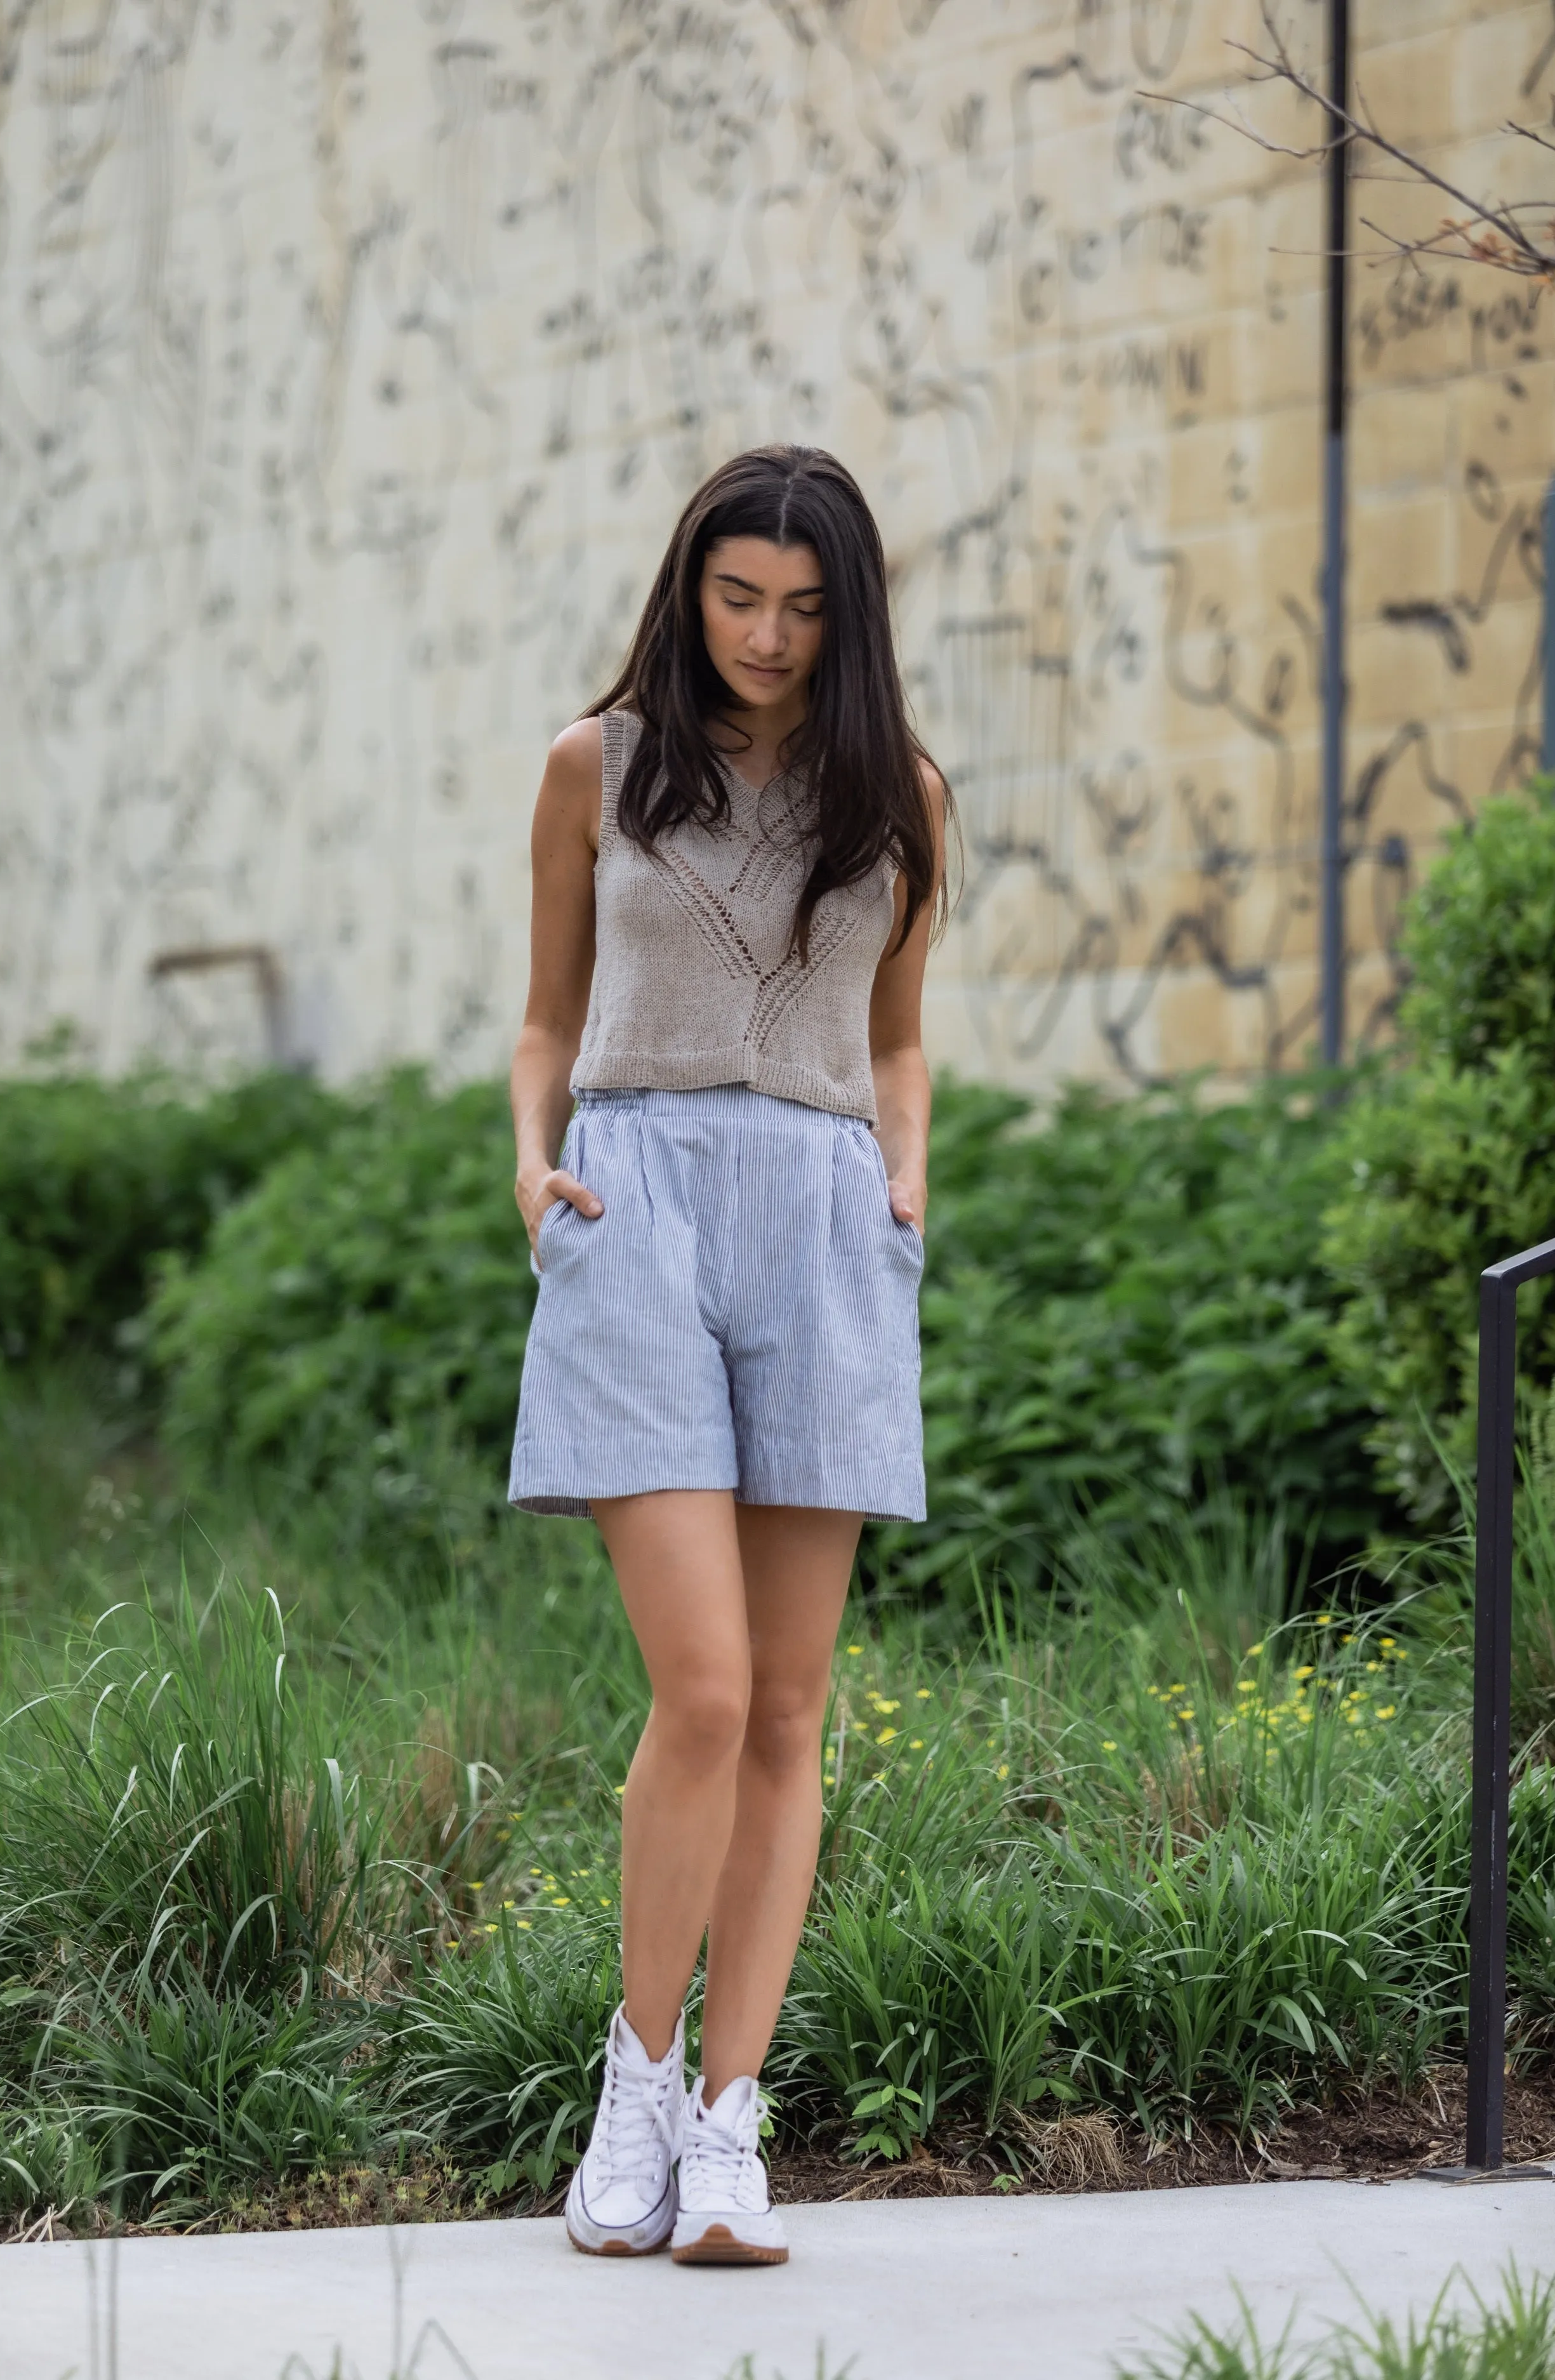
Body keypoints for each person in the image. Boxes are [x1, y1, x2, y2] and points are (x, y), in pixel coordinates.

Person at [506, 444, 951, 2267]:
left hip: (827, 1217)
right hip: (636, 1204)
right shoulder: (594, 766)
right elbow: (543, 1013)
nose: (763, 635)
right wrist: (530, 1175)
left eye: (801, 607)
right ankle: (635, 2074)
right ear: (688, 587)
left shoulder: (899, 792)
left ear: (846, 621)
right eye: (734, 594)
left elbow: (900, 1039)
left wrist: (904, 1184)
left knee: (787, 1705)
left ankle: (728, 2129)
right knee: (700, 1689)